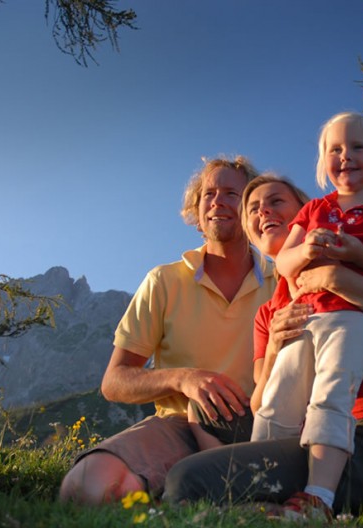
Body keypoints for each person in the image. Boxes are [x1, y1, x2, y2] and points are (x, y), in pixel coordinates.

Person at [162, 172, 363, 519]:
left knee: (188, 482)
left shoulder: (352, 264)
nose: (263, 212)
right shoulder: (269, 312)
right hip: (306, 438)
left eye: (276, 201)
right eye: (252, 210)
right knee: (195, 454)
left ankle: (293, 507)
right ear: (251, 234)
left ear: (307, 213)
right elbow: (259, 400)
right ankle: (288, 509)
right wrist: (277, 346)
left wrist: (335, 278)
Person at [58, 156, 275, 504]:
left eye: (232, 193)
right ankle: (190, 491)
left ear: (252, 207)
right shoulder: (163, 281)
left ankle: (204, 494)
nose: (217, 201)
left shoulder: (282, 281)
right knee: (86, 486)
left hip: (267, 428)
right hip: (177, 428)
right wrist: (183, 379)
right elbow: (114, 381)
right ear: (197, 207)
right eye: (209, 193)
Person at [252, 112, 363, 516]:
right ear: (322, 162)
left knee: (332, 394)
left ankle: (319, 495)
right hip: (307, 318)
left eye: (358, 147)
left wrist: (361, 254)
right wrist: (308, 249)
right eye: (335, 149)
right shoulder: (313, 209)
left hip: (356, 317)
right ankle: (259, 487)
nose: (346, 156)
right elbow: (284, 263)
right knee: (279, 395)